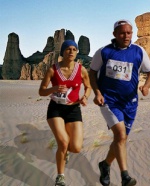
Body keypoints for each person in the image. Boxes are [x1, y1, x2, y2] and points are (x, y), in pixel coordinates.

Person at [89, 19, 150, 186]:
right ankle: (125, 176)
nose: (126, 36)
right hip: (109, 101)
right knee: (120, 135)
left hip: (131, 103)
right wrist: (97, 93)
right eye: (122, 33)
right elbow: (92, 73)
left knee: (121, 139)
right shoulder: (103, 52)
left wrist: (146, 86)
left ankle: (105, 165)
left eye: (129, 32)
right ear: (114, 34)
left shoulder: (139, 51)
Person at [39, 40, 91, 186]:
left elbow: (88, 86)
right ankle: (60, 177)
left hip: (74, 109)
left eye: (74, 49)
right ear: (62, 52)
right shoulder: (52, 69)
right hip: (56, 108)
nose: (71, 51)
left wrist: (85, 97)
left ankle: (65, 152)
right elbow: (41, 91)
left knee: (76, 147)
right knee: (63, 142)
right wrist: (53, 89)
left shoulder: (81, 70)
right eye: (68, 49)